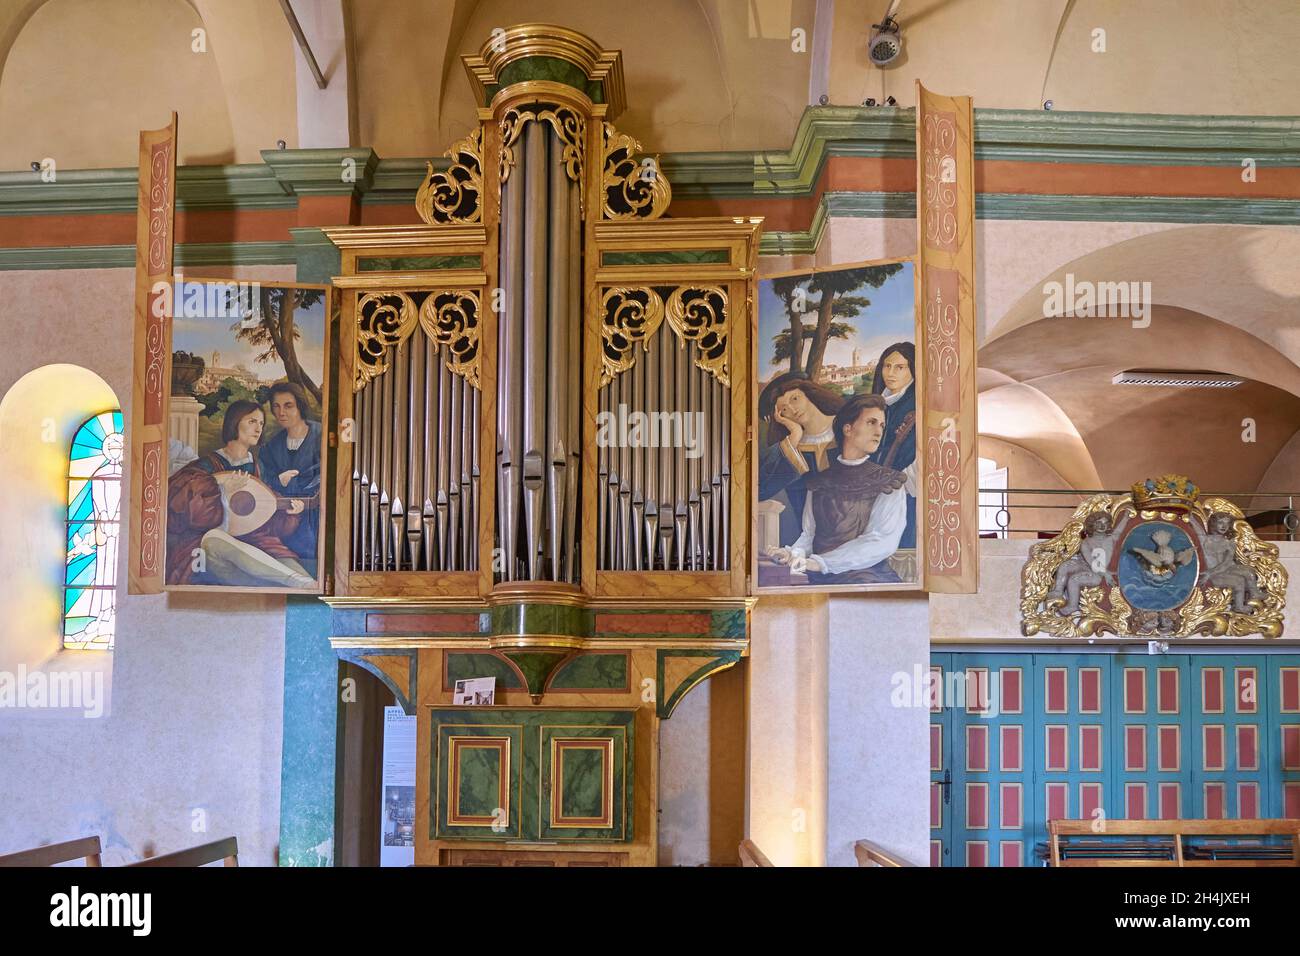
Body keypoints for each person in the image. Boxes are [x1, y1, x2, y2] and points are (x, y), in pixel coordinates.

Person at [766, 394, 916, 585]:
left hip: (867, 579)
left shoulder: (890, 482)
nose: (878, 431)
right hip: (818, 577)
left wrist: (820, 563)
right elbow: (809, 536)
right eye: (871, 422)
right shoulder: (819, 482)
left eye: (881, 425)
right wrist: (791, 554)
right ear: (848, 428)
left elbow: (881, 540)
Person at [166, 400, 313, 588]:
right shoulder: (206, 466)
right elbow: (184, 510)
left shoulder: (259, 469)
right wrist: (222, 491)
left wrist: (289, 512)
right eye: (252, 421)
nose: (258, 428)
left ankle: (293, 581)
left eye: (261, 423)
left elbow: (268, 521)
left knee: (305, 581)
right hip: (213, 549)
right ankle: (290, 580)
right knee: (214, 539)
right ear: (235, 422)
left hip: (258, 544)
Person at [757, 373, 845, 547]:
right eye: (783, 409)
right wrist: (795, 435)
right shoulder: (791, 449)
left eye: (795, 399)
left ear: (810, 394)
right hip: (812, 547)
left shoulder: (849, 426)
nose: (792, 409)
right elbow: (761, 491)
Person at [259, 381, 322, 572]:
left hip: (315, 520)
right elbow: (265, 481)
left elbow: (326, 477)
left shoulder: (321, 435)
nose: (281, 412)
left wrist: (305, 498)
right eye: (276, 406)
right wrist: (280, 480)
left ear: (300, 406)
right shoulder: (271, 446)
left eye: (288, 406)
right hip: (283, 522)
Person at [867, 341, 917, 549]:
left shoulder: (917, 404)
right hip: (875, 488)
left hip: (904, 490)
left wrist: (899, 482)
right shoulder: (877, 405)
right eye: (887, 366)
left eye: (899, 367)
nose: (890, 373)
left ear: (913, 369)